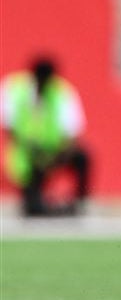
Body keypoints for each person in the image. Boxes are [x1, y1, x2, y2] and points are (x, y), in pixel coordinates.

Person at [1, 56, 90, 217]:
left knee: (83, 157)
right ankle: (39, 203)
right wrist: (32, 150)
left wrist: (56, 156)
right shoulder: (14, 88)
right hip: (27, 157)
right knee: (33, 209)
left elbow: (72, 133)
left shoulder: (62, 92)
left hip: (54, 153)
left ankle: (79, 203)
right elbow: (9, 127)